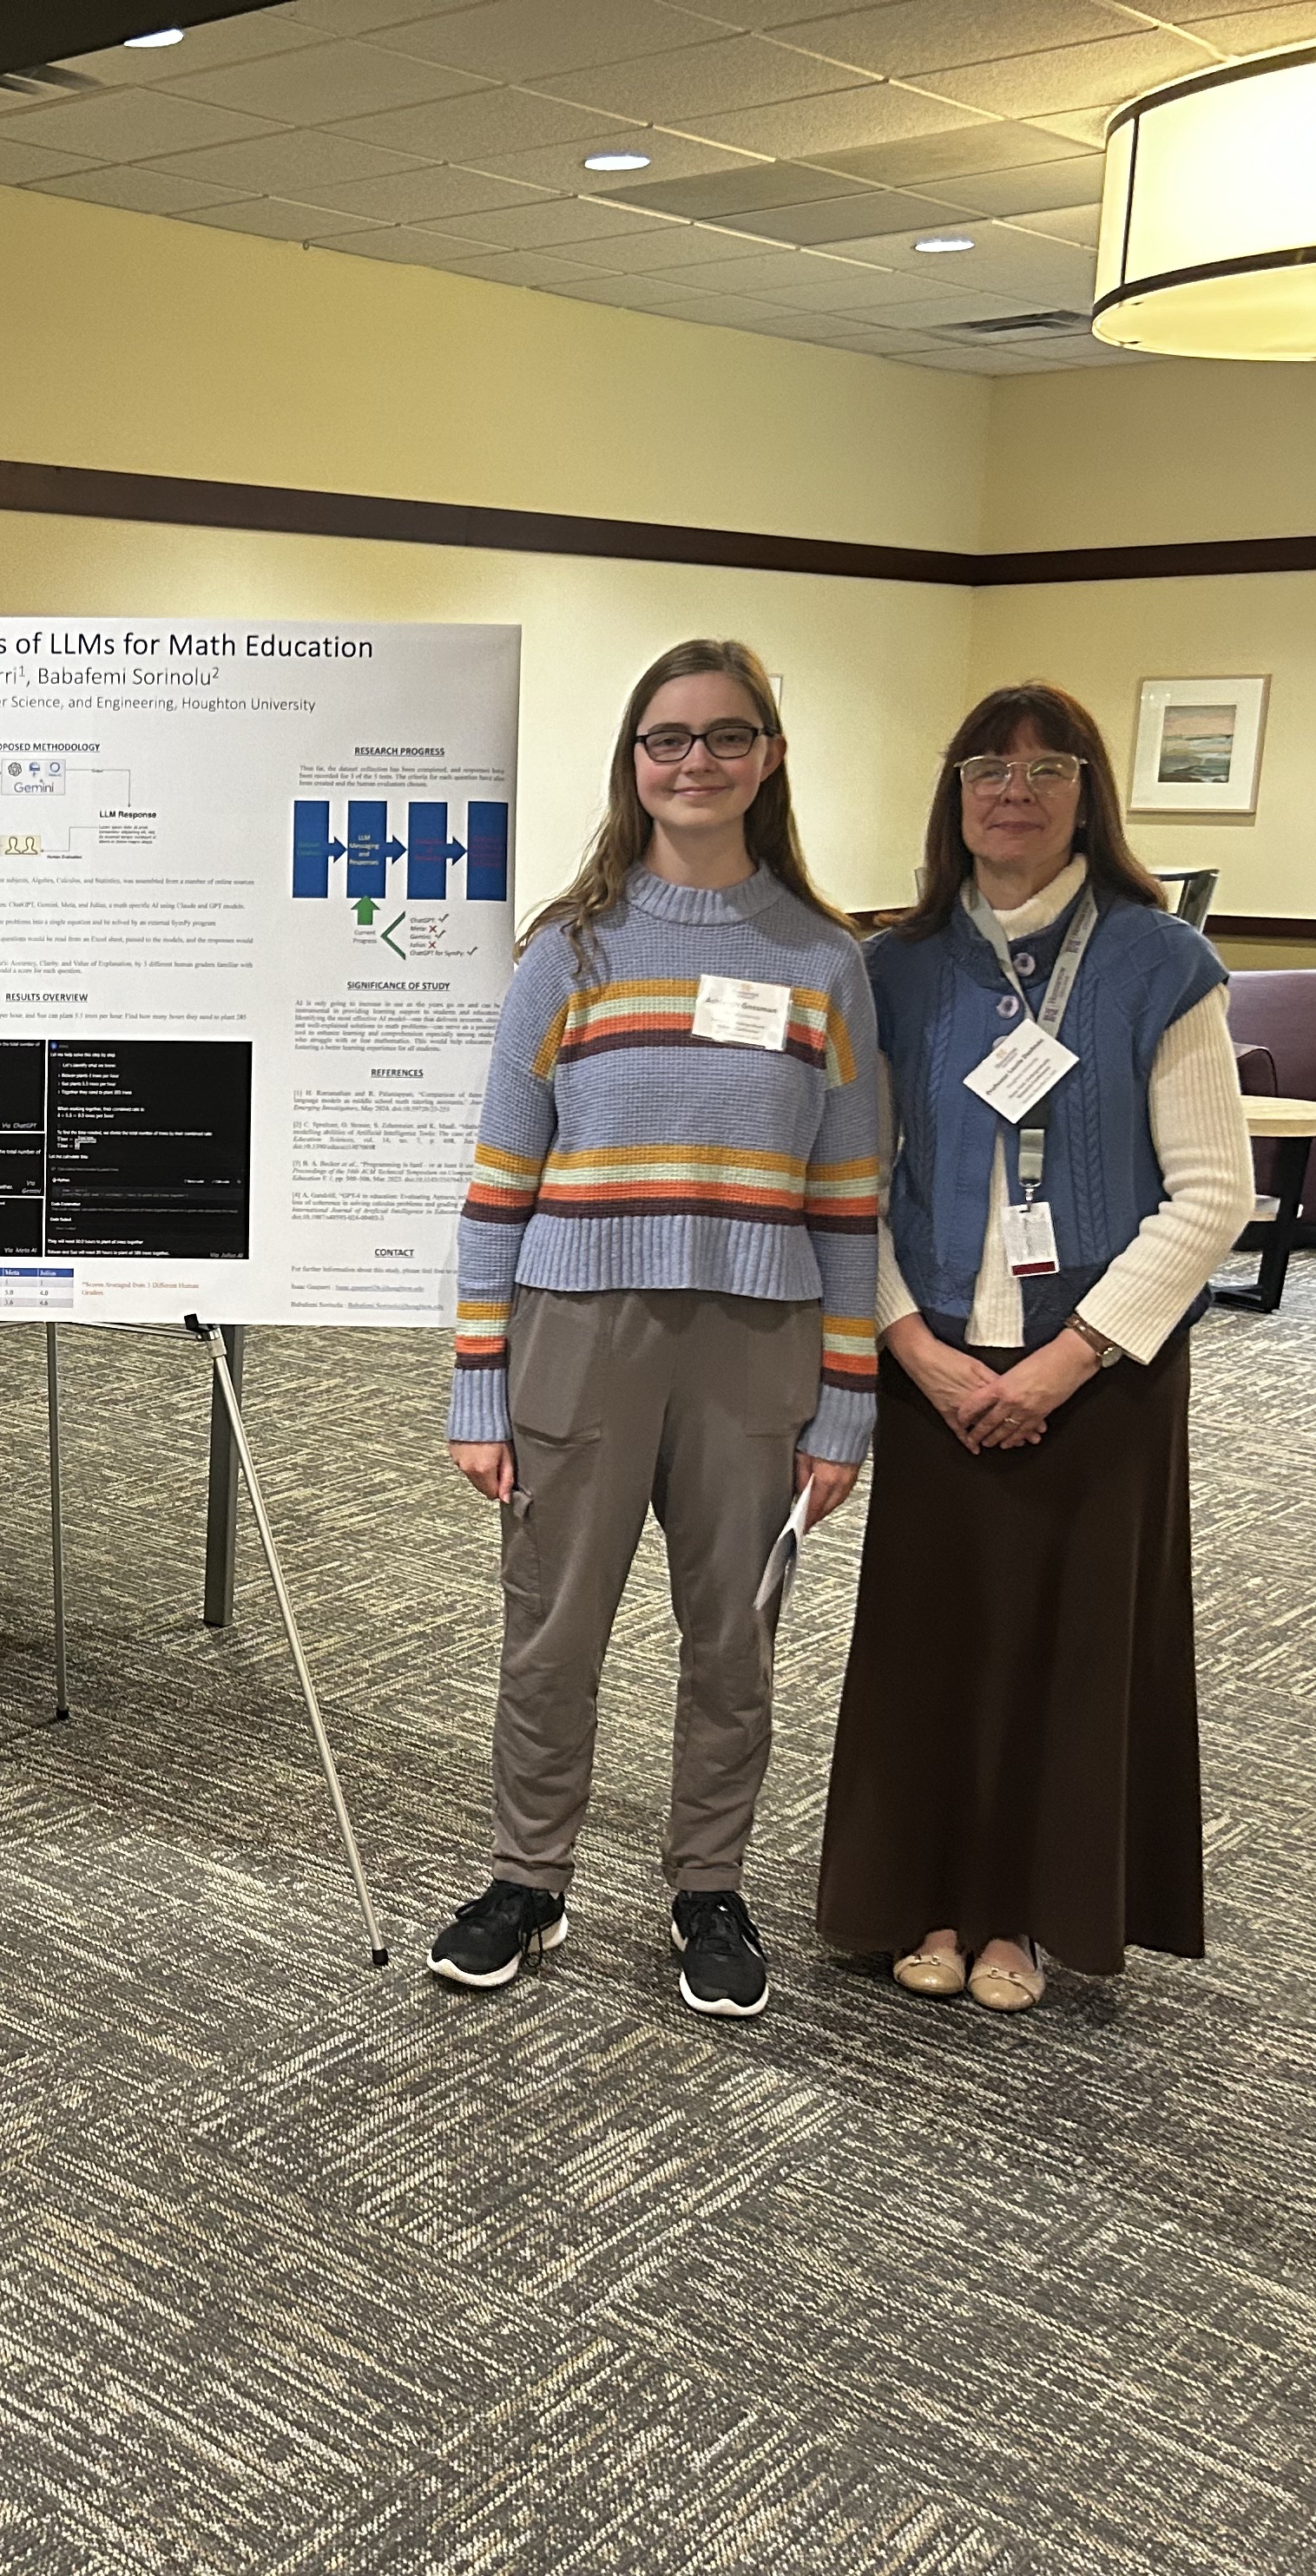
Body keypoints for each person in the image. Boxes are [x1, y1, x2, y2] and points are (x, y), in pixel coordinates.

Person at [431, 638, 881, 2021]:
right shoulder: (565, 954)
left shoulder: (825, 960)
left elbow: (855, 1195)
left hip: (759, 1343)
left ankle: (708, 1887)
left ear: (770, 757)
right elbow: (500, 1183)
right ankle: (529, 1875)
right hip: (580, 1327)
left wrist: (849, 1400)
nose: (696, 762)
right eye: (666, 739)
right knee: (552, 1630)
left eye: (725, 736)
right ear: (633, 764)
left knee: (730, 1638)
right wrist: (477, 1384)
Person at [815, 683, 1249, 2012]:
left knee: (1071, 1648)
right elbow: (850, 1183)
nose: (1014, 789)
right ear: (954, 795)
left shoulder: (1157, 963)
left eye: (1046, 766)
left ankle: (1026, 1918)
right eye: (987, 768)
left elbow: (1214, 1191)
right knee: (934, 1645)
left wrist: (1071, 1361)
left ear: (1087, 794)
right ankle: (924, 1901)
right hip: (938, 1365)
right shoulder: (894, 968)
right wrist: (913, 1348)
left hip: (1098, 1377)